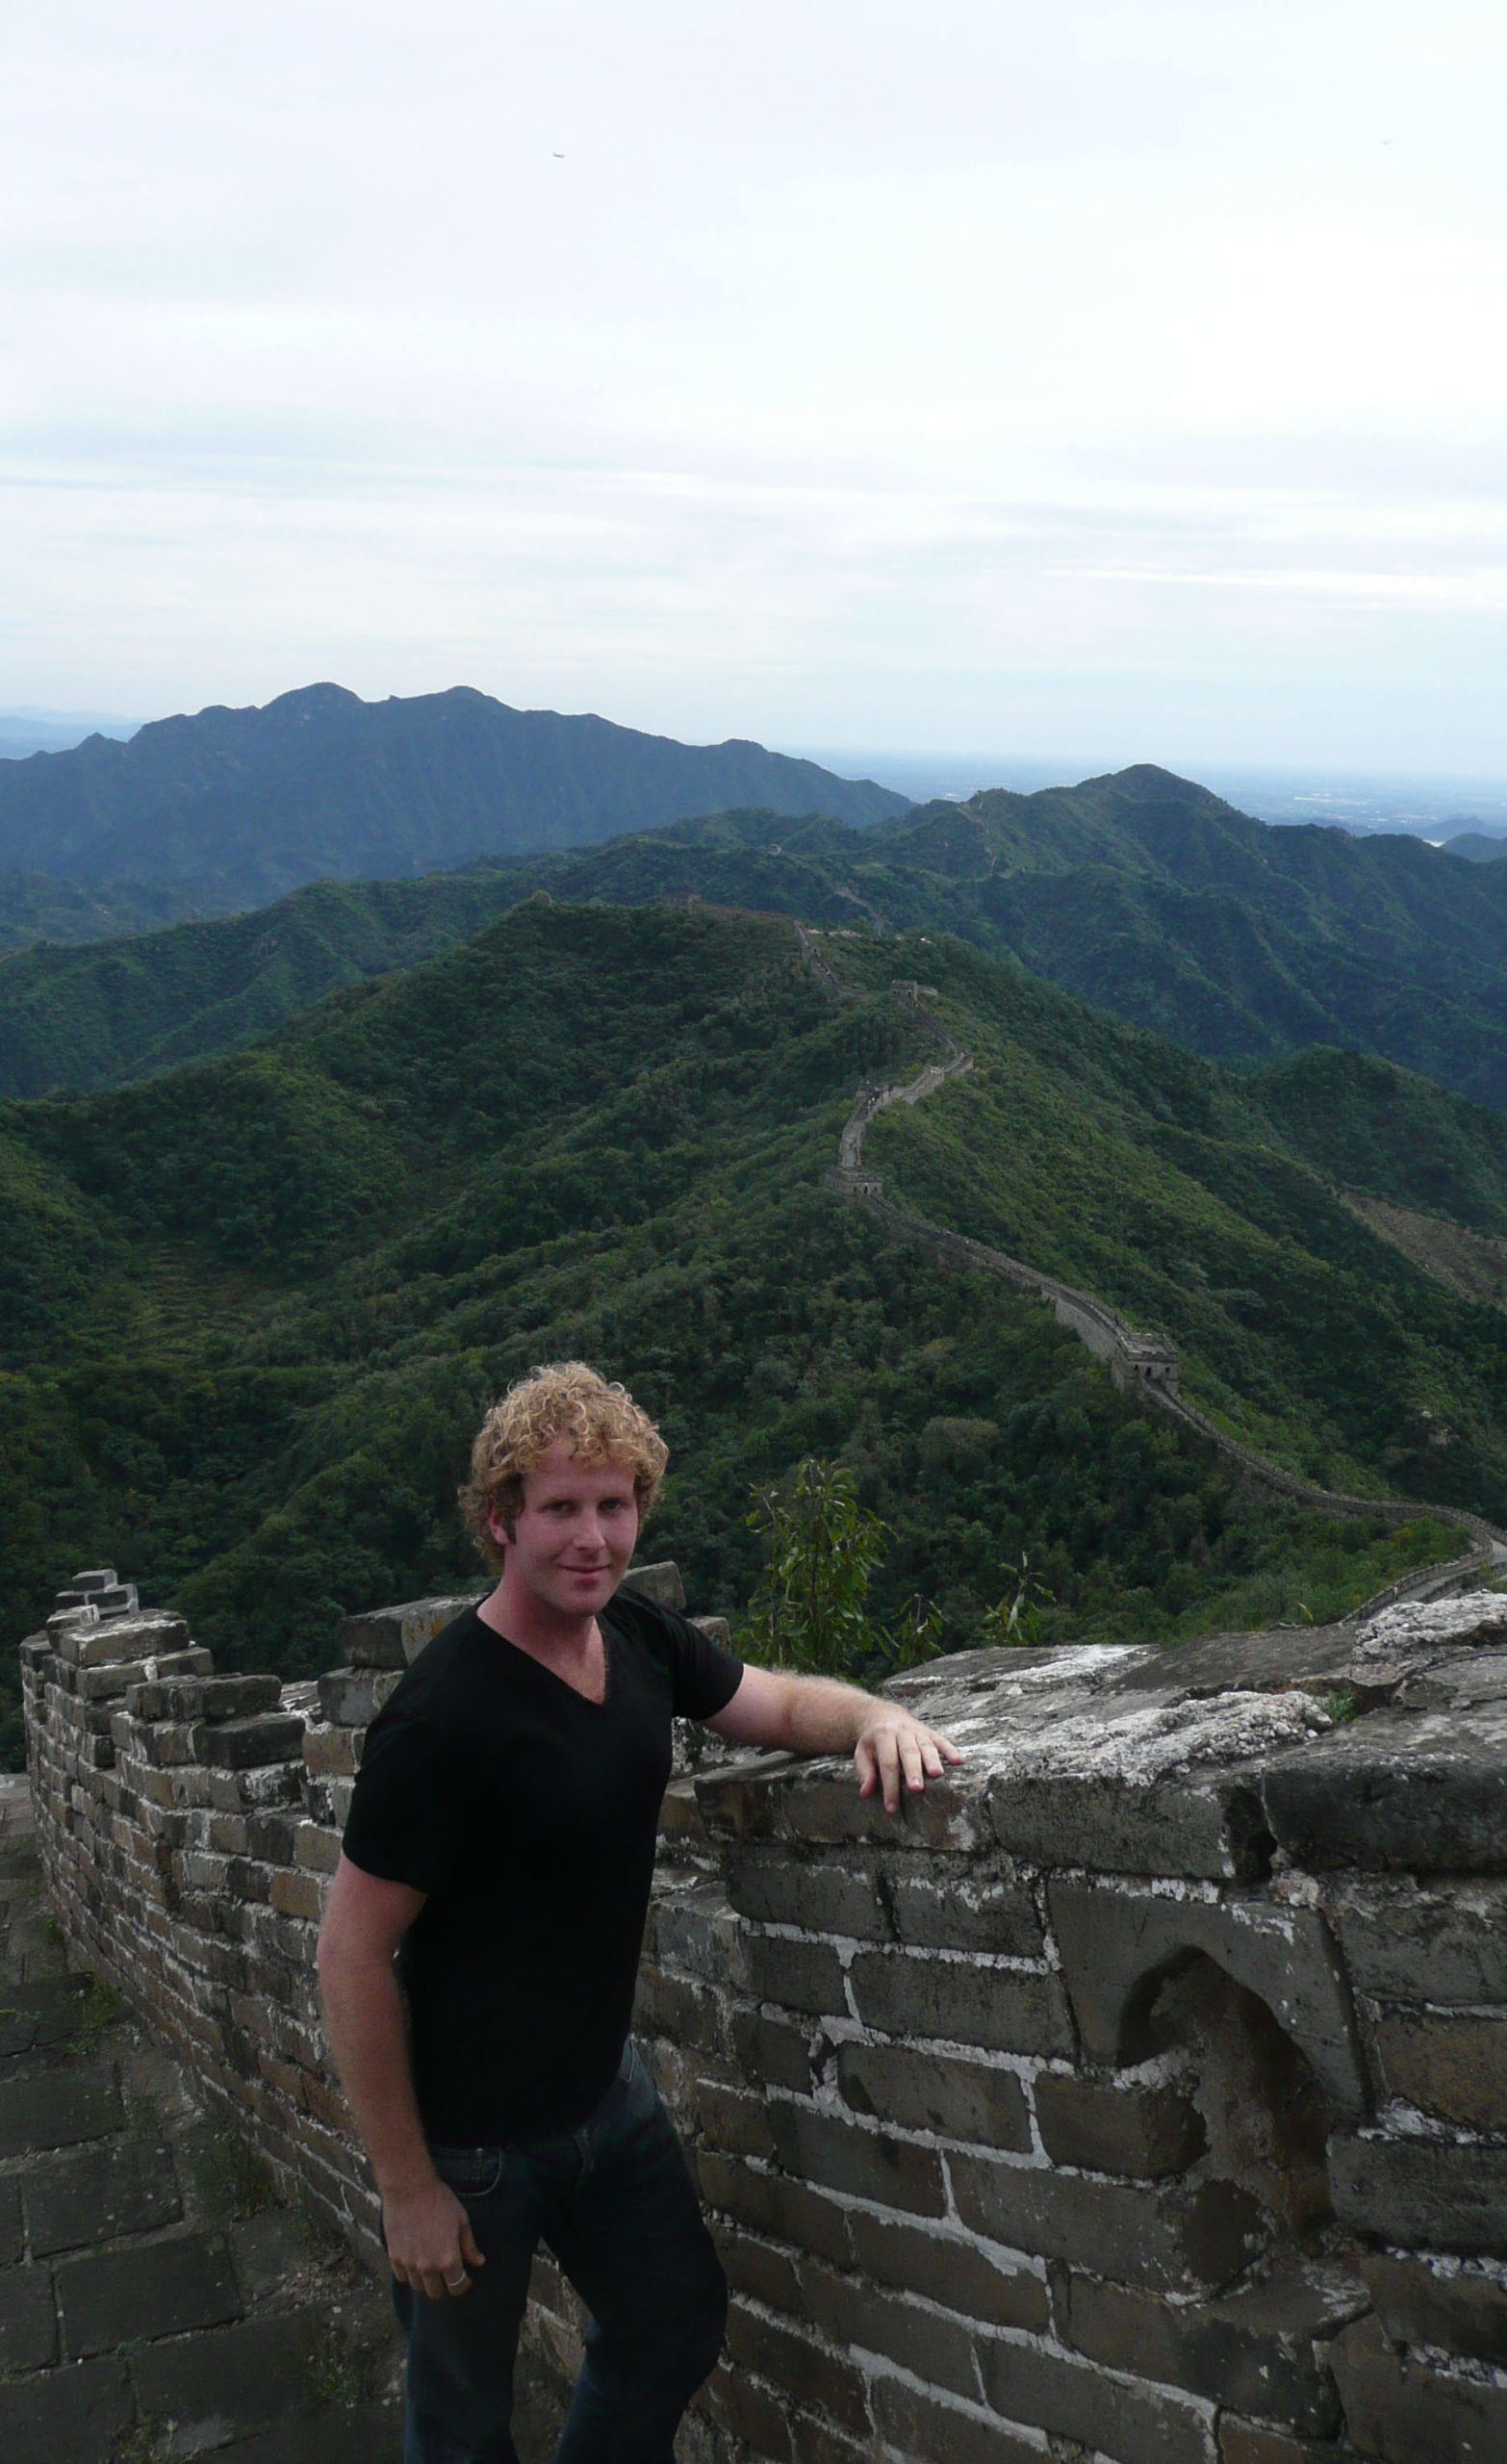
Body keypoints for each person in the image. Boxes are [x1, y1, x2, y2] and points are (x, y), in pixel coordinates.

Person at [317, 1361, 961, 2464]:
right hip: (470, 2145)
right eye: (560, 1508)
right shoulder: (442, 1719)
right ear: (501, 1522)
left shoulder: (639, 1641)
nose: (592, 1537)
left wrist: (878, 1715)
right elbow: (351, 1953)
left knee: (672, 2326)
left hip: (606, 2103)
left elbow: (773, 1700)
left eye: (614, 1505)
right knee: (461, 2431)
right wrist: (407, 2186)